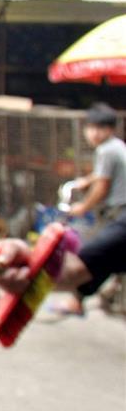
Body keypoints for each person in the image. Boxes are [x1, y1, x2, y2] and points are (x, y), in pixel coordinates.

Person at [53, 103, 126, 315]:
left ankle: (78, 299)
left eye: (100, 128)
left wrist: (82, 207)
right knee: (107, 258)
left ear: (110, 129)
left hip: (122, 212)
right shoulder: (117, 147)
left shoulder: (106, 150)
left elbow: (102, 188)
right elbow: (101, 176)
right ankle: (86, 298)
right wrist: (86, 180)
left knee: (94, 255)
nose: (94, 133)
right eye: (91, 127)